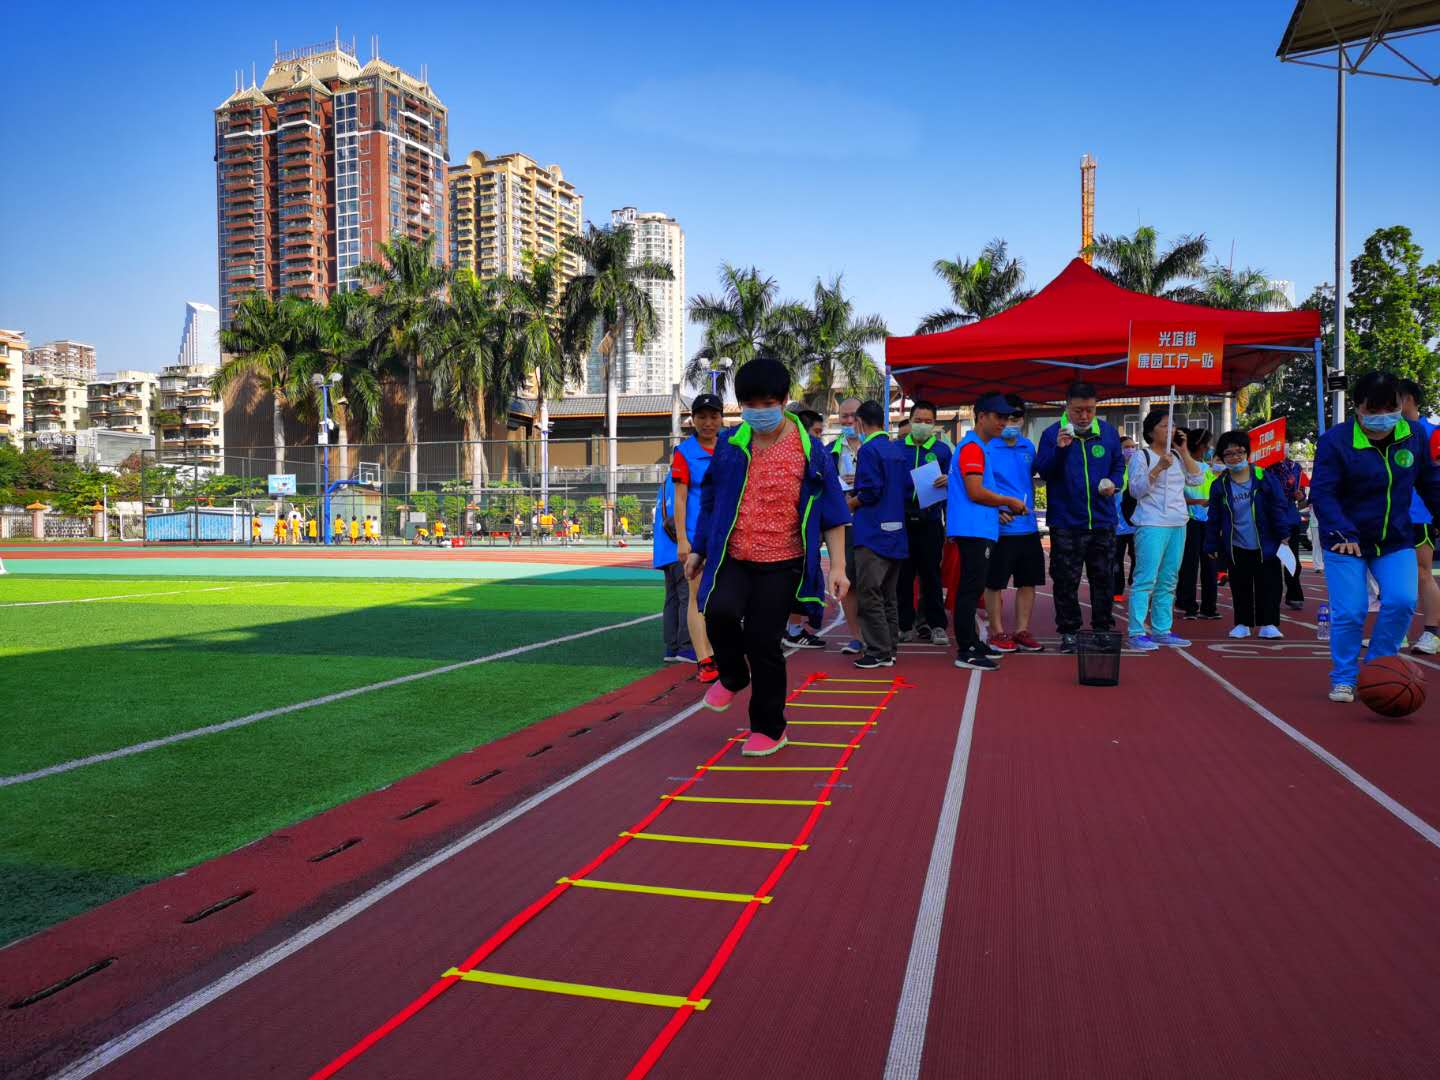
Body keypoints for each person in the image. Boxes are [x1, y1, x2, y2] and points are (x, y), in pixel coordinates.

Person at [686, 357, 850, 757]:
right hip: (735, 555)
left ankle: (769, 728)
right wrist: (700, 548)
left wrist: (839, 566)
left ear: (784, 399)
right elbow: (711, 502)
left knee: (763, 642)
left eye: (768, 404)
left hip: (782, 561)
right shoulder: (730, 446)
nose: (759, 412)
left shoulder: (811, 451)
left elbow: (833, 511)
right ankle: (732, 675)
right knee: (717, 611)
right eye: (750, 405)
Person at [1311, 370, 1440, 702]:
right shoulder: (1335, 441)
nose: (1383, 417)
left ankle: (1378, 668)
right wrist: (1341, 530)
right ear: (1358, 407)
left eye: (1391, 408)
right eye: (1374, 410)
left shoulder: (1413, 435)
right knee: (1351, 610)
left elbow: (1430, 482)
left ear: (1401, 405)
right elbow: (1323, 493)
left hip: (1394, 538)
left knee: (1403, 600)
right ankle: (1344, 677)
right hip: (1345, 540)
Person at [1034, 381, 1126, 652]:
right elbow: (1044, 472)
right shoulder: (1051, 434)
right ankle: (1069, 632)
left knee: (1104, 578)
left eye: (1090, 410)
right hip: (1066, 522)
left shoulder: (1108, 433)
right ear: (1067, 408)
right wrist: (1061, 449)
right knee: (1065, 580)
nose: (1084, 416)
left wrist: (1114, 482)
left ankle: (1102, 629)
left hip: (1102, 521)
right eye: (1078, 411)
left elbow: (1118, 465)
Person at [948, 394, 1029, 671]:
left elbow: (977, 492)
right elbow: (975, 491)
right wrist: (1008, 501)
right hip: (973, 528)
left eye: (1007, 417)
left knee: (973, 587)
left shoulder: (978, 447)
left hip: (978, 526)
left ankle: (972, 642)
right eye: (998, 416)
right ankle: (966, 649)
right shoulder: (972, 448)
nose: (1004, 422)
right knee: (970, 589)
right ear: (981, 416)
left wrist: (999, 507)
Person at [1205, 430, 1299, 640]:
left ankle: (1269, 623)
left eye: (1239, 452)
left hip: (1266, 543)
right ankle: (1243, 623)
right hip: (1237, 544)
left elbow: (1278, 506)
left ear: (1247, 452)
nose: (1235, 457)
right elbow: (1214, 517)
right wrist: (1211, 544)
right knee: (1240, 584)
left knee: (1270, 584)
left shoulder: (1263, 477)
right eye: (1229, 454)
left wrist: (1283, 533)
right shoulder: (1220, 485)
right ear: (1222, 457)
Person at [1125, 409, 1203, 651]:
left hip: (1178, 523)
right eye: (1164, 426)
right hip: (1151, 523)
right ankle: (1136, 631)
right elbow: (1135, 490)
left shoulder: (1178, 456)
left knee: (1169, 580)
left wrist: (1184, 450)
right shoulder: (1142, 456)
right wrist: (1158, 467)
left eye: (1173, 425)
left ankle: (1162, 629)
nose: (1170, 430)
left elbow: (1197, 480)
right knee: (1145, 579)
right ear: (1151, 432)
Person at [849, 400, 912, 669]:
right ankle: (889, 648)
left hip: (872, 532)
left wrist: (851, 502)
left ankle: (877, 650)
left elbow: (870, 491)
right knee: (888, 596)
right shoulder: (897, 449)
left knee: (869, 594)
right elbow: (907, 488)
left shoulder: (869, 449)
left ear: (860, 422)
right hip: (896, 531)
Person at [983, 396, 1045, 652]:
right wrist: (996, 509)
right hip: (1000, 528)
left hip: (1028, 526)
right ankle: (997, 632)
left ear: (1023, 419)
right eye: (1005, 417)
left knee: (1028, 581)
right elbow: (977, 486)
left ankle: (1021, 631)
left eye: (1016, 417)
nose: (1011, 422)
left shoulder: (1028, 446)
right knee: (995, 582)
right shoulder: (987, 447)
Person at [673, 393, 724, 680]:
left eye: (713, 416)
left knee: (722, 598)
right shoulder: (684, 453)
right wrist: (683, 539)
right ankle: (705, 659)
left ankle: (718, 651)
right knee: (696, 597)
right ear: (692, 420)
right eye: (701, 417)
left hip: (727, 535)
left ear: (721, 418)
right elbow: (680, 499)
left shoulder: (730, 447)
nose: (708, 423)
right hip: (697, 537)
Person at [897, 399, 952, 647]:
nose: (922, 425)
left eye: (928, 421)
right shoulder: (898, 448)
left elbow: (955, 485)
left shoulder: (942, 451)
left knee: (931, 576)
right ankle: (904, 625)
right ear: (910, 421)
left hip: (930, 522)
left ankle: (937, 625)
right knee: (903, 577)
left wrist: (948, 480)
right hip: (902, 522)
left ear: (935, 424)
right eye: (918, 420)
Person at [1398, 379, 1440, 655]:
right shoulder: (1391, 433)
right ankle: (1396, 633)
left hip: (1419, 515)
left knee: (1422, 572)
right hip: (1391, 515)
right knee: (1393, 577)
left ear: (1409, 399)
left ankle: (1432, 633)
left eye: (1395, 399)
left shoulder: (1432, 432)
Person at [785, 410, 831, 649]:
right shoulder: (791, 457)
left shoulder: (819, 456)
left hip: (806, 532)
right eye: (816, 432)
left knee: (801, 578)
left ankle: (792, 628)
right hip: (787, 535)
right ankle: (788, 630)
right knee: (792, 580)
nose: (818, 438)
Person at [829, 396, 867, 654]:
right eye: (844, 416)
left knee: (873, 583)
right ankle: (856, 636)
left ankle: (877, 634)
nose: (849, 420)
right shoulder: (829, 451)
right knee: (848, 581)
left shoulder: (876, 446)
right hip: (844, 525)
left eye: (854, 415)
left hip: (872, 522)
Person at [1176, 428, 1221, 620]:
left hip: (1208, 522)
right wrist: (1196, 502)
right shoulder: (1181, 467)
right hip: (1190, 521)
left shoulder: (1208, 469)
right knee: (1190, 565)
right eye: (1207, 445)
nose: (1209, 448)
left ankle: (1209, 608)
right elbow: (1175, 496)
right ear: (1201, 446)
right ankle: (1188, 606)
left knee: (1210, 564)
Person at [653, 475, 694, 663]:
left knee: (672, 600)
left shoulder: (664, 483)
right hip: (680, 550)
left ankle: (671, 647)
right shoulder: (682, 480)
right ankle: (686, 647)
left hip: (664, 551)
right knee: (687, 599)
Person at [1271, 446, 1310, 609]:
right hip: (1270, 519)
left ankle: (1294, 595)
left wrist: (1301, 496)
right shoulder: (1263, 468)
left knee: (1292, 560)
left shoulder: (1295, 467)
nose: (1283, 449)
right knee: (1270, 561)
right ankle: (1271, 597)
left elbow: (1302, 497)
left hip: (1290, 518)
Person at [1113, 437, 1138, 600]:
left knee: (1138, 557)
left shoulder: (1138, 468)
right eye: (1127, 447)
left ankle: (1134, 584)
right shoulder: (1114, 469)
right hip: (1116, 523)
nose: (1130, 450)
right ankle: (1117, 590)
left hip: (1135, 522)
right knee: (1116, 559)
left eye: (1132, 446)